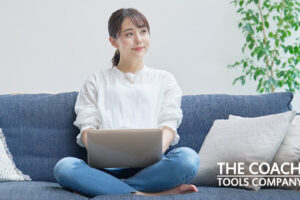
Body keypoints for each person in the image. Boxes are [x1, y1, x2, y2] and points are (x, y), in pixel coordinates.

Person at [53, 8, 200, 197]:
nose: (139, 39)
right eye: (129, 34)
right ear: (113, 41)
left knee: (188, 158)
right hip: (104, 170)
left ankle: (110, 189)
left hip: (153, 169)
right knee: (64, 167)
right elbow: (87, 129)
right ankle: (145, 194)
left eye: (143, 31)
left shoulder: (165, 79)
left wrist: (152, 152)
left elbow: (169, 126)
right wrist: (105, 152)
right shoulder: (96, 81)